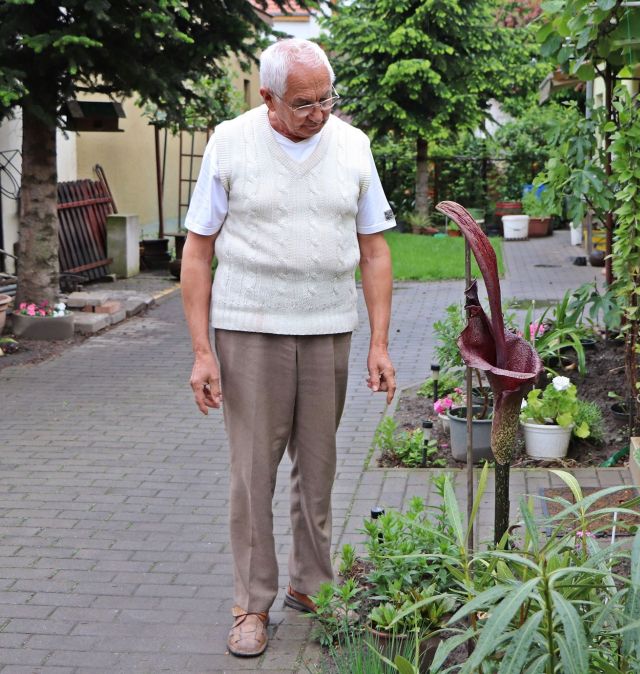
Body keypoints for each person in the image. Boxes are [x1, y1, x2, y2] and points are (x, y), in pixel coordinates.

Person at [180, 38, 396, 658]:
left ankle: (311, 586)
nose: (319, 113)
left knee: (319, 469)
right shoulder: (231, 142)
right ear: (267, 97)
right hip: (249, 328)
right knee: (253, 473)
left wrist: (379, 342)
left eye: (327, 99)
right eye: (304, 103)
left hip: (329, 326)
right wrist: (202, 352)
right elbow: (197, 253)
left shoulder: (353, 146)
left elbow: (375, 248)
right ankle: (251, 603)